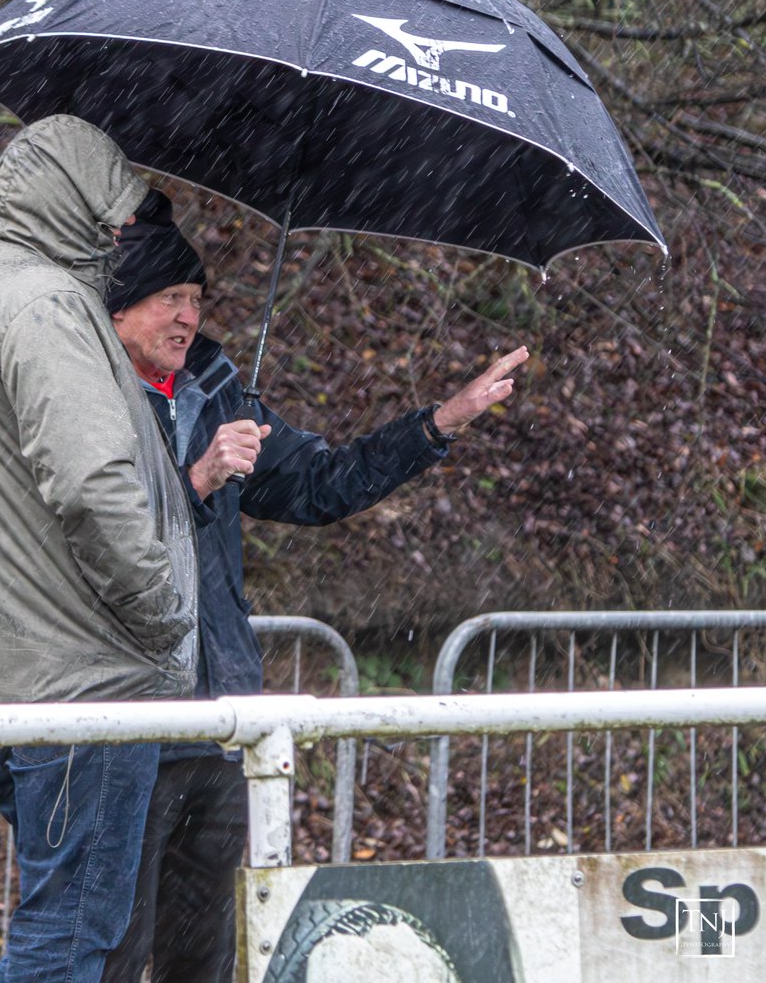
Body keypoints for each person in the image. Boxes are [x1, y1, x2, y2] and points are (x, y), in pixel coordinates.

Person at [101, 190, 529, 983]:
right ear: (118, 307)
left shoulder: (215, 391)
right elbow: (94, 540)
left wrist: (439, 423)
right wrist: (196, 481)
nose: (189, 317)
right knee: (108, 955)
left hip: (220, 721)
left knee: (204, 957)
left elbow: (323, 484)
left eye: (196, 298)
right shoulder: (80, 396)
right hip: (121, 724)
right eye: (170, 298)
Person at [0, 117, 198, 983]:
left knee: (60, 922)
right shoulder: (47, 305)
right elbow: (89, 485)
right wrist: (162, 614)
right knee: (69, 935)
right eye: (115, 220)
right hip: (89, 677)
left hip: (34, 666)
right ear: (72, 206)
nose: (121, 239)